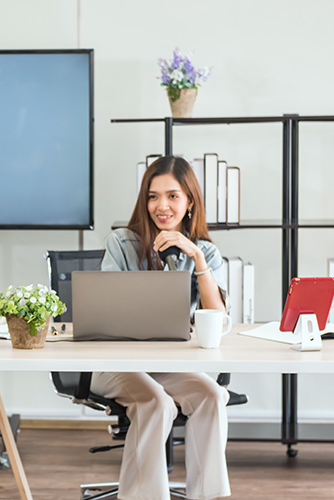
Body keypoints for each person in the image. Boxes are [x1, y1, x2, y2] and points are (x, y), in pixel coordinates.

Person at [90, 155, 231, 500]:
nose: (161, 206)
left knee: (213, 396)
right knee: (157, 402)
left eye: (172, 196)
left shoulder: (205, 253)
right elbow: (106, 309)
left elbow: (218, 320)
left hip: (167, 364)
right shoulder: (121, 243)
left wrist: (196, 258)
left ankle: (207, 496)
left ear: (189, 201)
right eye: (153, 196)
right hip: (116, 362)